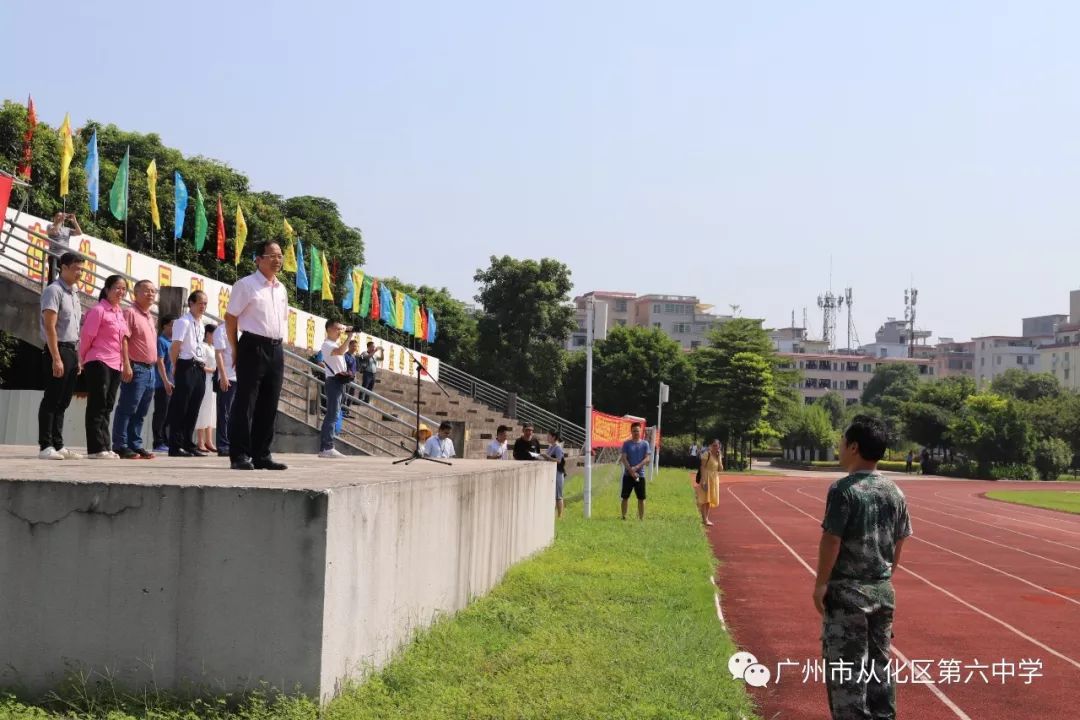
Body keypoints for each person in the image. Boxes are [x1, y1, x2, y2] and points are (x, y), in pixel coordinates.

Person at [814, 415, 912, 720]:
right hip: (883, 592)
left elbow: (832, 540)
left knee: (847, 674)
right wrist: (882, 577)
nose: (839, 446)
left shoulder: (844, 490)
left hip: (848, 594)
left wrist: (821, 584)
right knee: (879, 669)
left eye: (842, 442)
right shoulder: (895, 492)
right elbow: (899, 543)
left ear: (854, 447)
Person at [225, 241, 289, 471]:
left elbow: (281, 320)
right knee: (245, 403)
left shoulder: (281, 289)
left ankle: (262, 454)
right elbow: (231, 317)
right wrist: (235, 348)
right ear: (258, 259)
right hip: (252, 346)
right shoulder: (246, 285)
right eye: (271, 255)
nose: (277, 260)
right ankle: (239, 454)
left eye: (280, 255)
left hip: (276, 349)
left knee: (269, 404)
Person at [37, 252, 85, 460]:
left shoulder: (74, 294)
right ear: (63, 268)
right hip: (57, 348)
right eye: (76, 268)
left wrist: (78, 357)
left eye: (81, 269)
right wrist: (56, 357)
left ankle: (58, 443)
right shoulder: (53, 291)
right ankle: (45, 445)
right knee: (52, 397)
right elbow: (50, 326)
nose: (79, 273)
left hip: (72, 350)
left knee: (64, 400)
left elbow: (76, 328)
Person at [80, 274, 131, 459]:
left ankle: (105, 446)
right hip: (98, 360)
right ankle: (95, 448)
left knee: (108, 405)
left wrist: (126, 363)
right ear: (107, 289)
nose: (121, 292)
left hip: (115, 363)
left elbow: (124, 340)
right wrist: (83, 358)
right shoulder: (98, 310)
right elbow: (87, 337)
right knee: (97, 404)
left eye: (124, 289)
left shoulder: (119, 313)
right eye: (117, 287)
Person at [112, 280, 160, 459]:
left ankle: (135, 443)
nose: (150, 294)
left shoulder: (149, 316)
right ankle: (120, 444)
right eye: (146, 291)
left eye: (153, 291)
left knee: (141, 410)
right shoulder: (130, 312)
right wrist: (126, 364)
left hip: (150, 369)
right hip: (136, 367)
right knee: (127, 407)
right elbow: (123, 339)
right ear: (135, 293)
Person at [167, 290, 209, 457]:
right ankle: (175, 446)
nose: (203, 307)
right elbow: (175, 346)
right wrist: (175, 365)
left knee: (194, 407)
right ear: (191, 303)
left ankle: (188, 443)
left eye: (205, 304)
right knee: (181, 407)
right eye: (200, 303)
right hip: (186, 364)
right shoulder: (183, 322)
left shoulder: (201, 324)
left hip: (199, 367)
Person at [318, 320, 355, 459]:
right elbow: (340, 351)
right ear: (329, 329)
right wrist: (349, 337)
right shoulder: (327, 344)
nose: (340, 332)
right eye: (337, 329)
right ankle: (327, 447)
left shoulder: (334, 344)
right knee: (332, 414)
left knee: (335, 413)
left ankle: (327, 447)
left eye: (341, 329)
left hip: (339, 382)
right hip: (333, 381)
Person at [151, 314, 176, 453]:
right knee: (161, 413)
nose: (174, 328)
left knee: (170, 415)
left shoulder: (175, 342)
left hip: (173, 383)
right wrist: (166, 381)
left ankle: (166, 441)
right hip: (162, 384)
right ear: (165, 325)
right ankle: (158, 441)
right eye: (172, 324)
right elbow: (159, 362)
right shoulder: (161, 341)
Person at [213, 319, 237, 457]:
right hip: (227, 376)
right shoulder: (221, 330)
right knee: (224, 412)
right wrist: (223, 375)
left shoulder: (240, 331)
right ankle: (223, 445)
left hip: (239, 376)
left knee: (234, 414)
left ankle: (232, 443)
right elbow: (219, 354)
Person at [619, 423, 651, 520]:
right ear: (631, 432)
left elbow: (647, 459)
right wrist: (631, 471)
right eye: (634, 431)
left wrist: (636, 468)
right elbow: (624, 458)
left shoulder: (645, 444)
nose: (636, 432)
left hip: (639, 476)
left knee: (641, 498)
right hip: (628, 475)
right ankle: (623, 516)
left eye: (637, 430)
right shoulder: (626, 444)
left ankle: (641, 518)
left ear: (640, 431)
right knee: (625, 497)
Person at [195, 324, 218, 453]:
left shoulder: (214, 348)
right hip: (205, 379)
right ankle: (200, 441)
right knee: (203, 410)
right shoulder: (203, 347)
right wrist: (213, 370)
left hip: (213, 381)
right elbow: (200, 365)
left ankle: (209, 441)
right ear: (208, 334)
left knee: (211, 411)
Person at [45, 212, 82, 282]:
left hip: (64, 257)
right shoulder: (50, 226)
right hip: (54, 255)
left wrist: (74, 221)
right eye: (58, 216)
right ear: (54, 218)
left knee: (63, 278)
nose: (60, 217)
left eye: (62, 216)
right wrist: (61, 221)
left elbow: (79, 233)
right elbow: (55, 231)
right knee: (52, 277)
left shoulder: (66, 229)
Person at [695, 438, 723, 525]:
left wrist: (719, 458)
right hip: (706, 477)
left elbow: (721, 469)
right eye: (714, 445)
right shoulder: (707, 454)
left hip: (714, 478)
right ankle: (705, 519)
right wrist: (703, 481)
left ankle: (706, 518)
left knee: (709, 499)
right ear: (711, 446)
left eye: (717, 446)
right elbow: (702, 467)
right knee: (704, 499)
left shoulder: (718, 456)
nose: (715, 448)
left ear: (719, 447)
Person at [545, 430, 567, 518]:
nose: (547, 438)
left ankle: (560, 515)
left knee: (558, 495)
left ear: (553, 437)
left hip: (558, 473)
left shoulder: (558, 448)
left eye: (549, 436)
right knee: (552, 495)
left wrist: (548, 457)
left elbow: (559, 460)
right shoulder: (550, 447)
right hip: (551, 473)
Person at [342, 338, 360, 417]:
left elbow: (355, 368)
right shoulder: (345, 356)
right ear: (349, 346)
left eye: (356, 346)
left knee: (351, 395)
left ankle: (347, 410)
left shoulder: (354, 357)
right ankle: (343, 410)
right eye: (353, 346)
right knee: (345, 394)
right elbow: (344, 367)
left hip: (353, 379)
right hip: (347, 379)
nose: (354, 348)